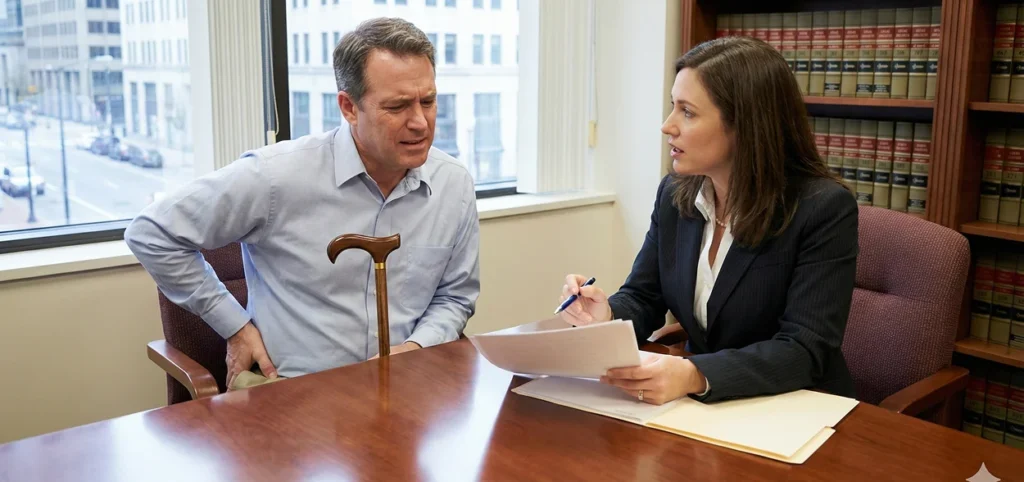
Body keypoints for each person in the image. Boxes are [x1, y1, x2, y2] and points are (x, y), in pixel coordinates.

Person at [125, 17, 480, 390]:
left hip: (408, 386)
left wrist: (416, 348)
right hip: (296, 390)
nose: (420, 122)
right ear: (349, 107)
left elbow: (455, 296)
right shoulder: (275, 177)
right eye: (398, 106)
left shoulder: (453, 184)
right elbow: (151, 233)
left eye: (428, 101)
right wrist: (235, 326)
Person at [558, 36, 858, 405]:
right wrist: (605, 315)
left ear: (745, 124)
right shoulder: (675, 195)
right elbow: (644, 295)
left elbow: (806, 349)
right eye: (673, 107)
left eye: (687, 112)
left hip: (798, 407)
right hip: (706, 408)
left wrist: (696, 374)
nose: (667, 126)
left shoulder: (823, 208)